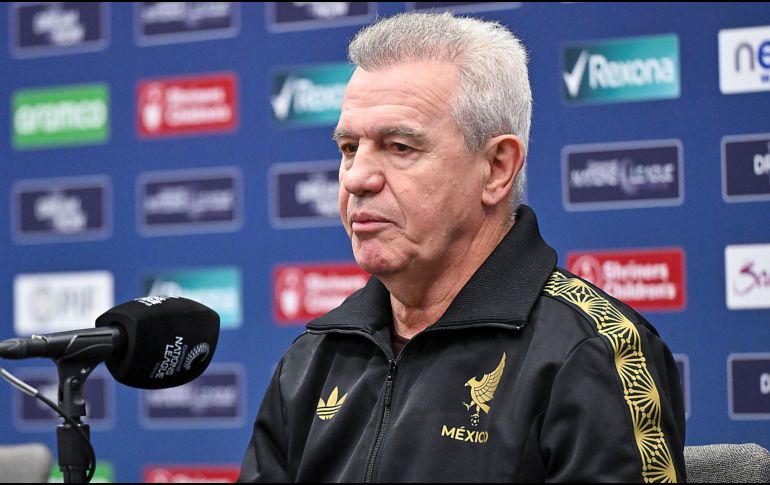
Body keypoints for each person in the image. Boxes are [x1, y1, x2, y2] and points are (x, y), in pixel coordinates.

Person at [239, 11, 686, 483]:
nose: (357, 178)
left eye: (398, 147)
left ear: (496, 168)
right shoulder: (313, 359)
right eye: (349, 147)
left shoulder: (591, 353)